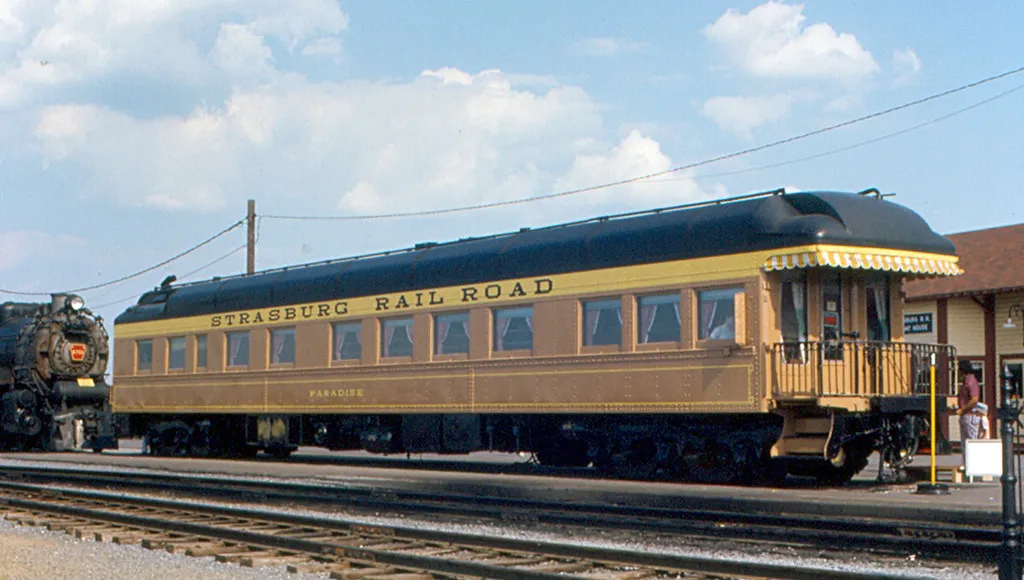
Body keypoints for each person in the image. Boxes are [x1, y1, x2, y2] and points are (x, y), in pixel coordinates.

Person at [954, 359, 982, 466]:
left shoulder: (971, 381)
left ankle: (974, 467)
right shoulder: (965, 381)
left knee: (971, 442)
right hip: (964, 415)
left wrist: (963, 409)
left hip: (970, 415)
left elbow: (974, 399)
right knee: (965, 444)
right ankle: (967, 467)